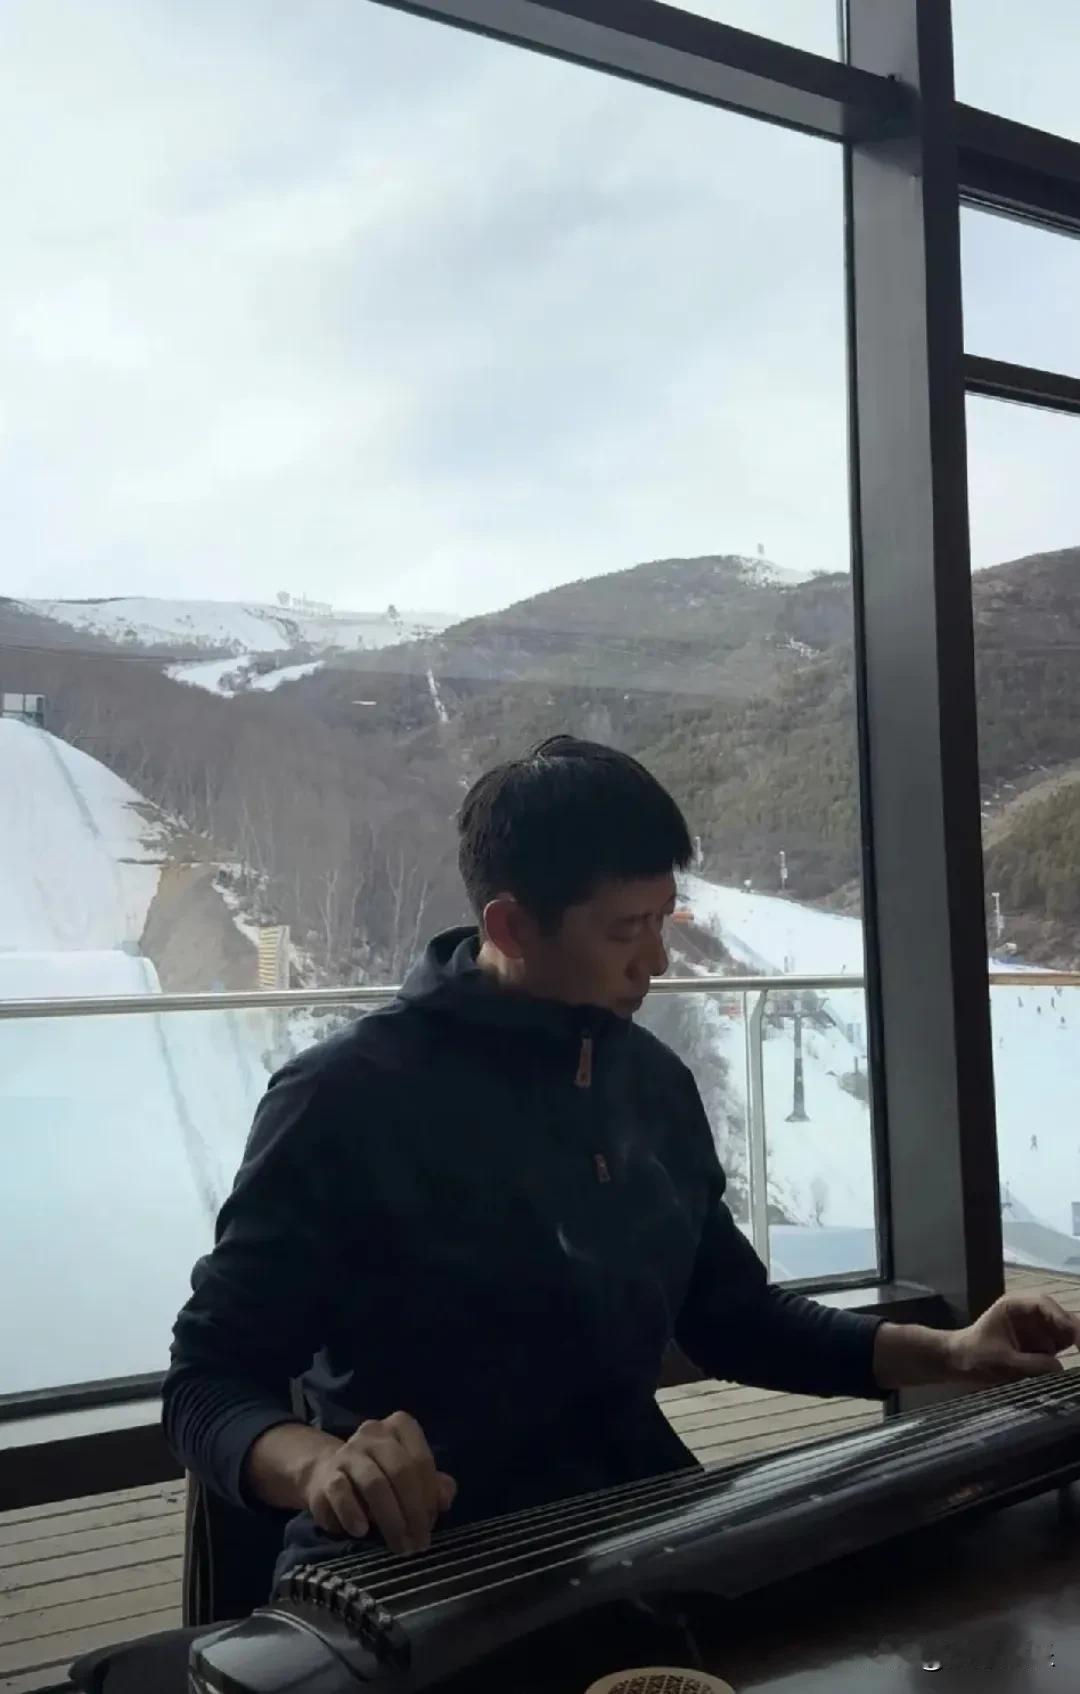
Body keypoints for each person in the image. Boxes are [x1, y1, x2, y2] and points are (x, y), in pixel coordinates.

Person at [164, 737, 1079, 1579]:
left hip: (630, 1539)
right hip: (414, 1567)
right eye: (624, 931)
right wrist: (322, 1464)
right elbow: (206, 1381)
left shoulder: (649, 1082)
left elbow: (731, 1317)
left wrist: (952, 1353)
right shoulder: (344, 1099)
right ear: (511, 928)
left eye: (662, 920)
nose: (659, 961)